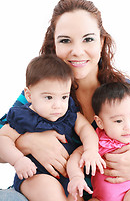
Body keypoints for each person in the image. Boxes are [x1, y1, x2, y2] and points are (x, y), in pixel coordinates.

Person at [0, 0, 130, 201]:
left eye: (88, 39)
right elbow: (3, 138)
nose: (77, 51)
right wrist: (28, 142)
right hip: (45, 187)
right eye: (65, 40)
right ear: (54, 45)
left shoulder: (129, 94)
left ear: (101, 42)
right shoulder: (41, 92)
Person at [0, 54, 105, 201]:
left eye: (64, 97)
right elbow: (3, 139)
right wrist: (18, 160)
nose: (58, 105)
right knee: (52, 193)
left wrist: (91, 150)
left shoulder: (69, 113)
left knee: (76, 197)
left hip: (69, 176)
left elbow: (86, 130)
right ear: (29, 95)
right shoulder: (23, 116)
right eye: (49, 97)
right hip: (35, 175)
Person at [67, 82, 130, 201]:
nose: (128, 127)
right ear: (100, 122)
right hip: (100, 197)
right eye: (118, 121)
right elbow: (76, 157)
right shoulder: (97, 142)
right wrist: (76, 177)